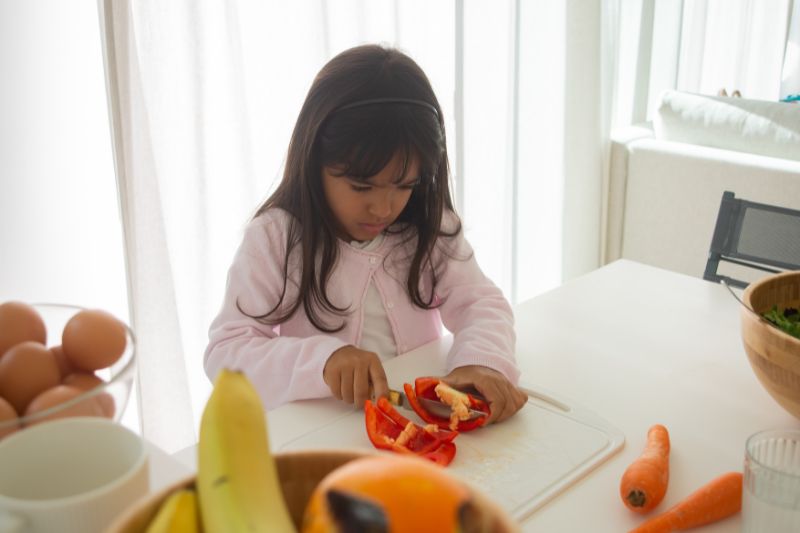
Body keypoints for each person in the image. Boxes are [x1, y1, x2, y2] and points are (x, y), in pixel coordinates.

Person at [204, 44, 527, 424]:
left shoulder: (429, 224)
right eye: (362, 187)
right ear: (314, 163)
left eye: (404, 185)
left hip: (421, 423)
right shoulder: (275, 237)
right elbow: (226, 352)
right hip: (322, 431)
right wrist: (324, 361)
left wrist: (482, 361)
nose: (384, 208)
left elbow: (480, 303)